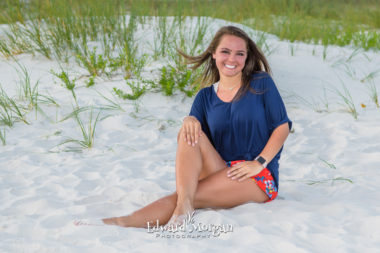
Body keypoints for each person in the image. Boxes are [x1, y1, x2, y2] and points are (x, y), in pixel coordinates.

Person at [101, 25, 292, 228]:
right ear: (213, 54)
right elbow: (192, 141)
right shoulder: (205, 96)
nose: (232, 59)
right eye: (225, 52)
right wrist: (189, 119)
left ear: (246, 58)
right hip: (218, 169)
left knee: (184, 197)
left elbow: (282, 127)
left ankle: (122, 222)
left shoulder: (260, 83)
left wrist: (259, 162)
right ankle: (181, 204)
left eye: (239, 54)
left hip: (256, 175)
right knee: (188, 129)